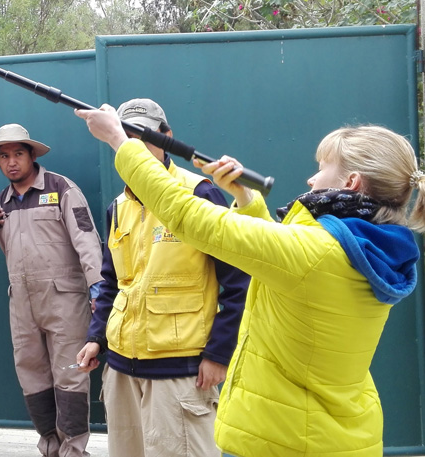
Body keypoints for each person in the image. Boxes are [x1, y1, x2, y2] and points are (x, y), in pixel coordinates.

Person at [75, 105, 423, 457]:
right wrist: (245, 196)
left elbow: (187, 216)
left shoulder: (316, 251)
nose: (311, 181)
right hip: (333, 432)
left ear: (351, 183)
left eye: (321, 170)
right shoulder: (362, 247)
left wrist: (121, 141)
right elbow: (284, 257)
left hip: (294, 440)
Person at [75, 98, 250, 457]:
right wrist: (96, 338)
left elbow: (238, 281)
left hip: (180, 373)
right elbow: (113, 282)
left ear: (168, 136)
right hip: (122, 371)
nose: (137, 144)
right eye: (127, 135)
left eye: (145, 134)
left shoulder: (199, 193)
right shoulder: (118, 207)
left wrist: (218, 354)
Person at [0, 124, 103, 457]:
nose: (11, 162)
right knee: (32, 377)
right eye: (4, 156)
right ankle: (50, 447)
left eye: (18, 154)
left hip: (65, 300)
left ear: (31, 155)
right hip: (23, 306)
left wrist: (98, 289)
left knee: (71, 377)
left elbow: (86, 240)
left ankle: (74, 451)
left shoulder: (61, 188)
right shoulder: (0, 203)